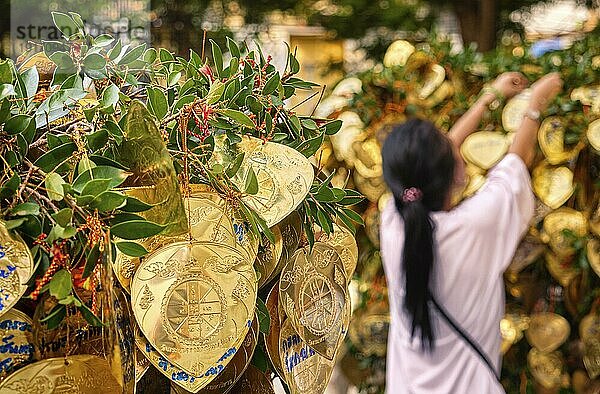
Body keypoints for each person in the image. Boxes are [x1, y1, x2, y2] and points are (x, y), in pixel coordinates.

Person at [380, 72, 563, 393]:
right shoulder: (473, 227)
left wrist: (487, 98)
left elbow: (432, 160)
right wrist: (535, 102)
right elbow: (516, 163)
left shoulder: (394, 223)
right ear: (457, 173)